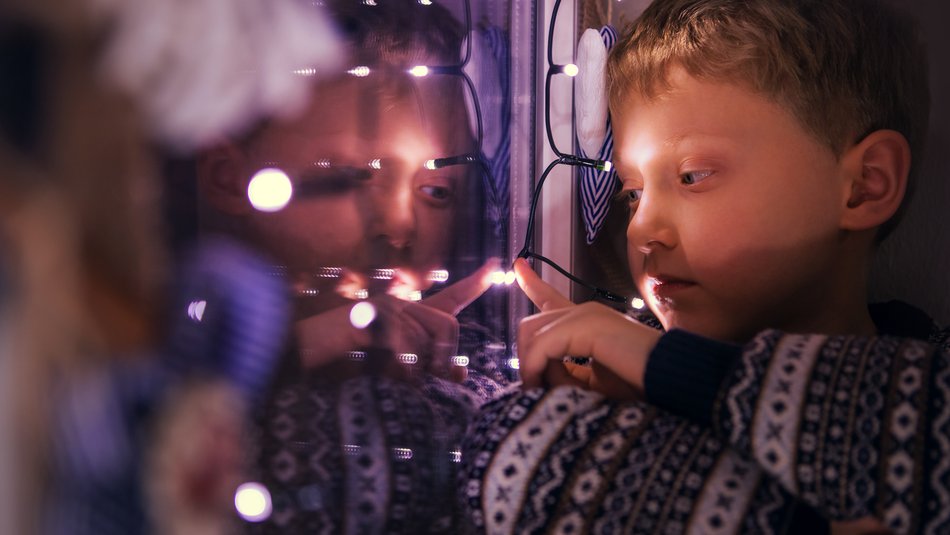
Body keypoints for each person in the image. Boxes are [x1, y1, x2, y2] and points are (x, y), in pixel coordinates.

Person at [460, 0, 947, 533]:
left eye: (693, 176)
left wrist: (674, 373)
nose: (642, 230)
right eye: (632, 193)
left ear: (864, 185)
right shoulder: (608, 378)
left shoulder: (930, 397)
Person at [195, 0, 510, 531]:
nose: (400, 225)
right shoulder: (178, 336)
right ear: (231, 177)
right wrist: (298, 349)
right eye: (354, 176)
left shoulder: (472, 367)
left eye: (435, 191)